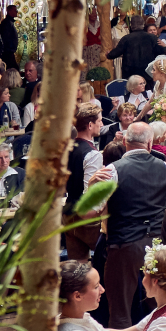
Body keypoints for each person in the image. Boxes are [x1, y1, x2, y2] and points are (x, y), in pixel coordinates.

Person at [98, 122, 166, 327]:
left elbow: (92, 210)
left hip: (125, 245)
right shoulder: (163, 166)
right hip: (157, 245)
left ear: (124, 142)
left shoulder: (112, 170)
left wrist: (91, 187)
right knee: (157, 307)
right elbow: (165, 199)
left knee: (120, 310)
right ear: (150, 143)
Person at [63, 104, 108, 261]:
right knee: (106, 258)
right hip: (86, 220)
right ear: (90, 125)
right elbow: (90, 190)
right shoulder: (93, 155)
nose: (101, 125)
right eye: (100, 121)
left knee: (77, 268)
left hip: (68, 213)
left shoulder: (67, 148)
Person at [0, 5, 21, 72]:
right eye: (15, 10)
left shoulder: (9, 23)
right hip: (7, 52)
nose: (16, 12)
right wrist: (8, 49)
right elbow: (5, 38)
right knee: (13, 70)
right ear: (9, 11)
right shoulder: (6, 23)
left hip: (9, 52)